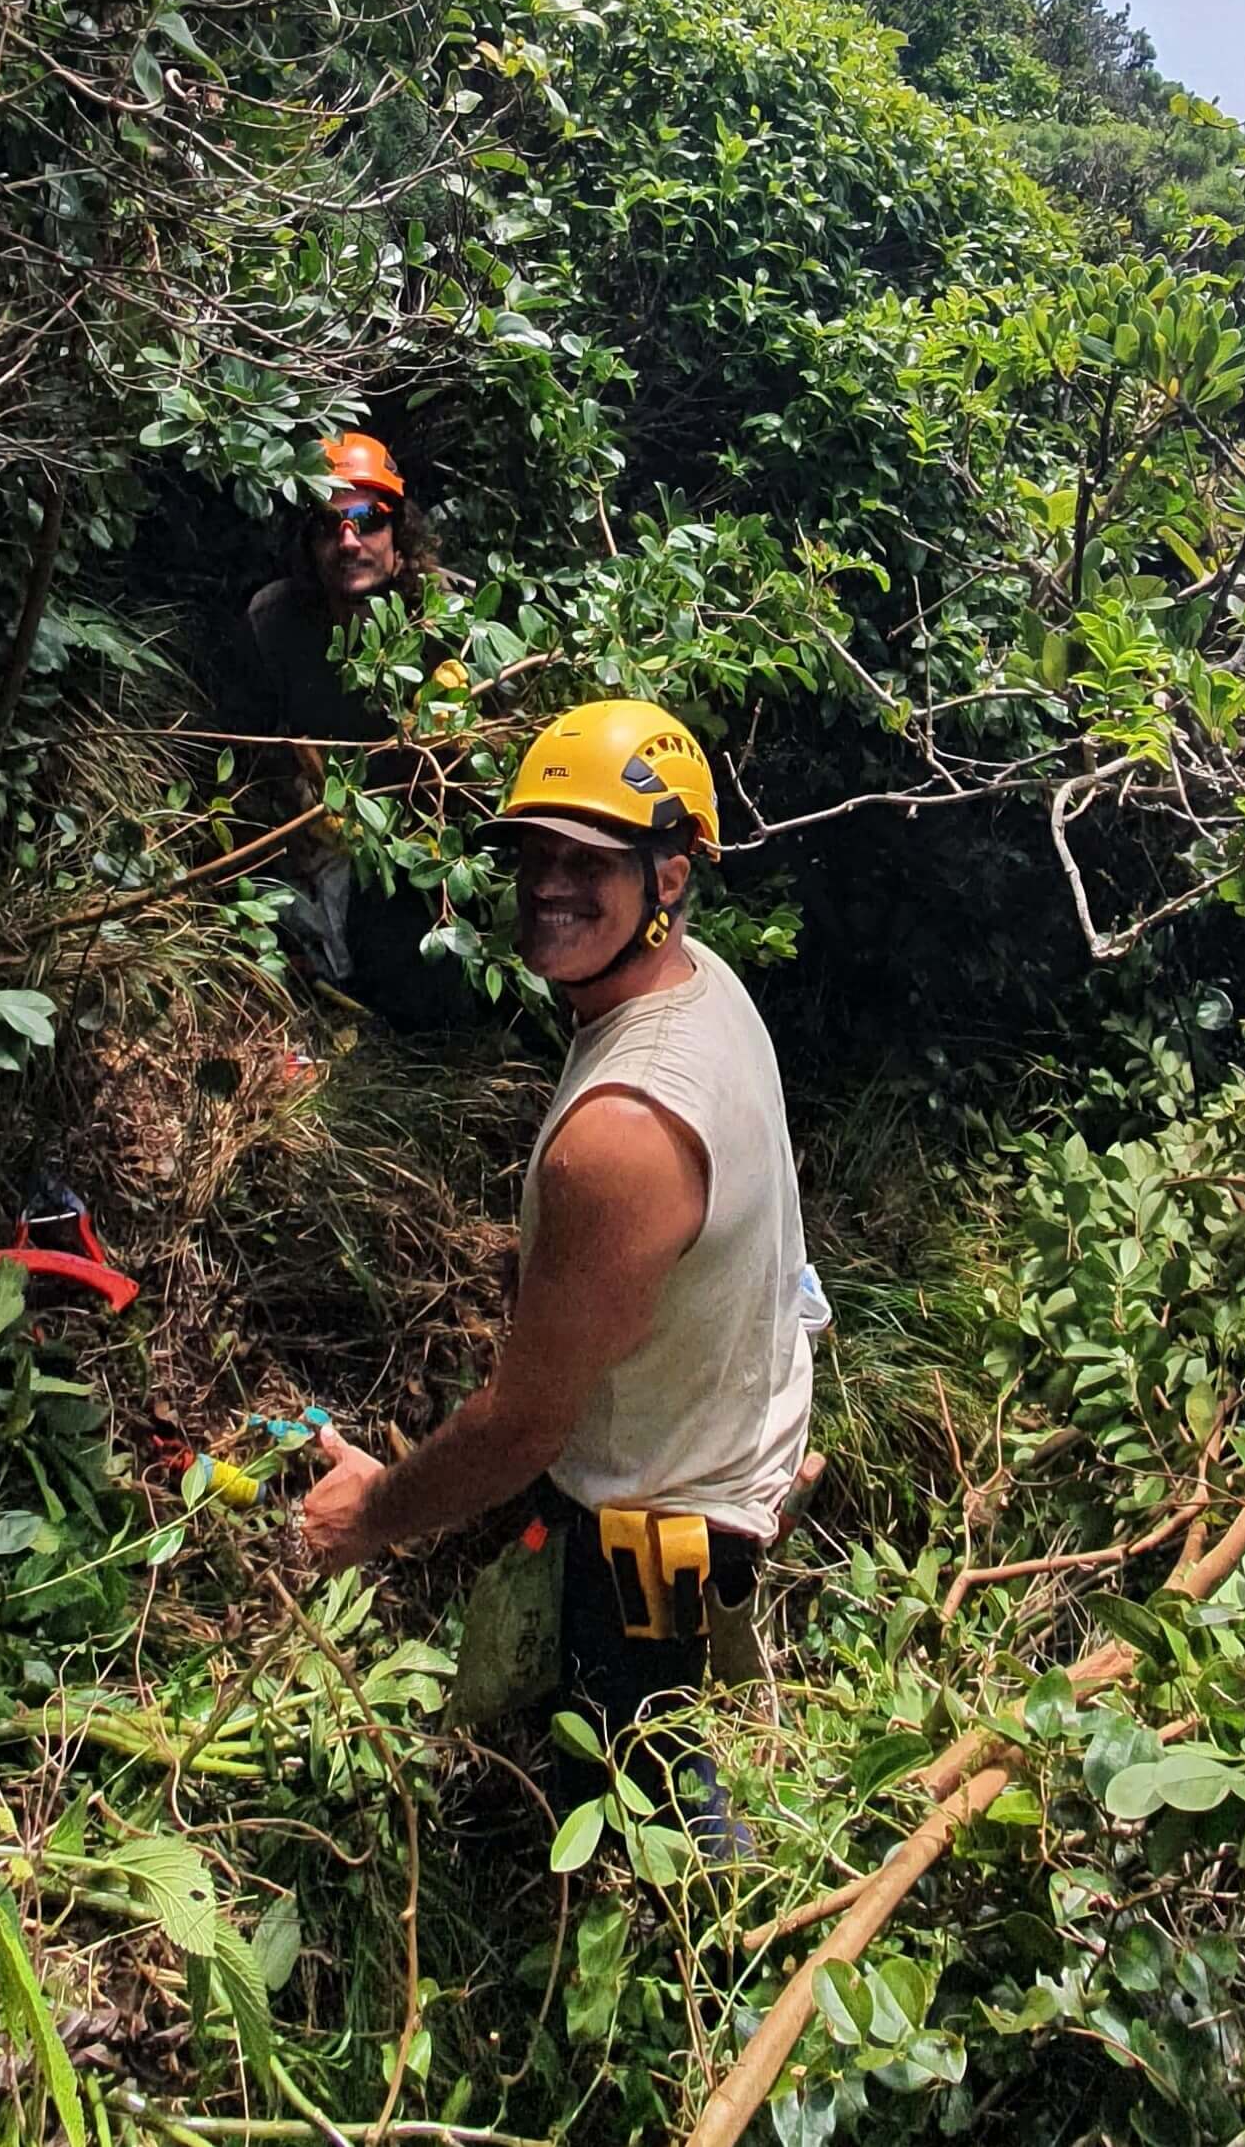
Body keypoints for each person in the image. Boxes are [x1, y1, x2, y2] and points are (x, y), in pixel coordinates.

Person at [301, 699, 815, 1838]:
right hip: (729, 1444)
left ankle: (668, 1976)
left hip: (659, 1524)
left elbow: (526, 1426)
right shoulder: (703, 984)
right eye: (537, 851)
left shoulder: (619, 1135)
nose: (549, 883)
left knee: (640, 1787)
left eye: (591, 860)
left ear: (669, 876)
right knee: (650, 1740)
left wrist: (369, 1514)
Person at [236, 433, 463, 1029]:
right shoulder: (276, 621)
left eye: (368, 519)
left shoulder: (443, 621)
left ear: (398, 537)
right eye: (327, 523)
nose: (348, 539)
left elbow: (475, 769)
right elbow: (251, 744)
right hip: (315, 828)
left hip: (413, 835)